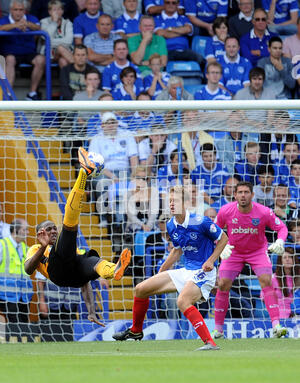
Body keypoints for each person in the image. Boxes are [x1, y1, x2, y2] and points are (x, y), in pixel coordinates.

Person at [112, 185, 229, 351]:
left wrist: (211, 260)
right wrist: (161, 272)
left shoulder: (201, 221)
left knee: (182, 301)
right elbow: (176, 250)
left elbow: (223, 238)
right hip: (185, 271)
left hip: (204, 272)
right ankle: (136, 331)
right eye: (170, 201)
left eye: (176, 201)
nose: (172, 204)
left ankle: (210, 343)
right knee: (140, 289)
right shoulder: (171, 225)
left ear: (186, 203)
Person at [24, 148, 132, 326]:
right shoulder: (36, 249)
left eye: (53, 229)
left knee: (90, 260)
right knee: (69, 221)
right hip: (57, 273)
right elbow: (28, 270)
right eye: (48, 230)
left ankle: (114, 270)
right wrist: (43, 247)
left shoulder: (67, 245)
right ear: (39, 235)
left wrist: (91, 311)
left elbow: (85, 282)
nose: (52, 231)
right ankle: (84, 172)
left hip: (73, 276)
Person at [213, 180, 289, 339]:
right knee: (222, 284)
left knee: (266, 280)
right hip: (234, 252)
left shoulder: (263, 212)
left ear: (252, 195)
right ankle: (218, 329)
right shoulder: (225, 211)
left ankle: (276, 325)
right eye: (240, 192)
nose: (243, 195)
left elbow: (281, 227)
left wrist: (280, 241)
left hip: (257, 251)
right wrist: (220, 245)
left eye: (246, 192)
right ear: (234, 195)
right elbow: (214, 230)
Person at [0, 0, 45, 100]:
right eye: (16, 9)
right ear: (11, 10)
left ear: (25, 10)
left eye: (21, 10)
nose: (18, 12)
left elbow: (39, 28)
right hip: (11, 53)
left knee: (41, 59)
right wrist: (15, 25)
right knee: (10, 59)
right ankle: (8, 94)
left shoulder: (31, 18)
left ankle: (32, 93)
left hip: (29, 52)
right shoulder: (4, 20)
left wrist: (28, 24)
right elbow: (1, 27)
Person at [0, 219, 31, 341]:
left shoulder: (26, 248)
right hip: (7, 293)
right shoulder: (2, 245)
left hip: (24, 295)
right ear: (15, 230)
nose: (28, 232)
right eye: (25, 229)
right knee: (14, 323)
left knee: (23, 324)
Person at [154, 0, 205, 69]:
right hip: (166, 51)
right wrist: (181, 32)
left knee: (201, 60)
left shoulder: (184, 18)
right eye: (167, 2)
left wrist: (169, 29)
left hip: (184, 51)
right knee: (160, 63)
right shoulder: (156, 19)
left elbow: (188, 29)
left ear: (178, 4)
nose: (170, 5)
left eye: (174, 3)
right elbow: (160, 33)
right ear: (164, 3)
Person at [261, 247, 300, 318]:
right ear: (280, 261)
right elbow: (263, 295)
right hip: (280, 313)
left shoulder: (298, 277)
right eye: (285, 257)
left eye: (290, 257)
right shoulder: (274, 278)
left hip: (297, 313)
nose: (287, 259)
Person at [39, 0, 74, 68]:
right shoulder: (44, 22)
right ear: (49, 12)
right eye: (54, 10)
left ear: (62, 11)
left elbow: (69, 41)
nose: (57, 12)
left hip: (65, 51)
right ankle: (80, 70)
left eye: (59, 9)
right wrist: (54, 22)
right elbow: (45, 38)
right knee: (60, 48)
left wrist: (51, 41)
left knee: (63, 61)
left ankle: (70, 78)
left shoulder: (68, 23)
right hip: (48, 53)